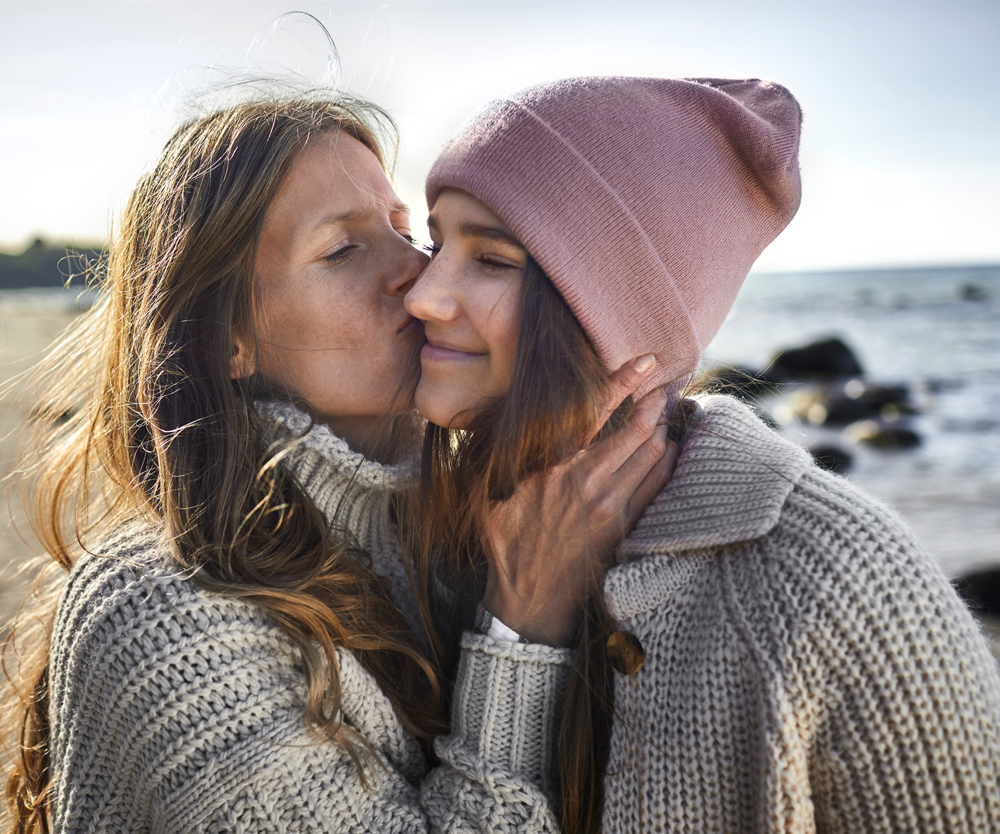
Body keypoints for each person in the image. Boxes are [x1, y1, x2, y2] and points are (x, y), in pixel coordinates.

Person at [0, 89, 675, 833]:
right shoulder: (159, 616)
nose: (423, 276)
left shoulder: (473, 528)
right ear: (227, 339)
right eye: (343, 250)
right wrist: (521, 629)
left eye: (405, 229)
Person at [403, 76, 1000, 833]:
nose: (423, 293)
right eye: (435, 242)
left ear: (614, 317)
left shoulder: (843, 579)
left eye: (490, 260)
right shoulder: (433, 529)